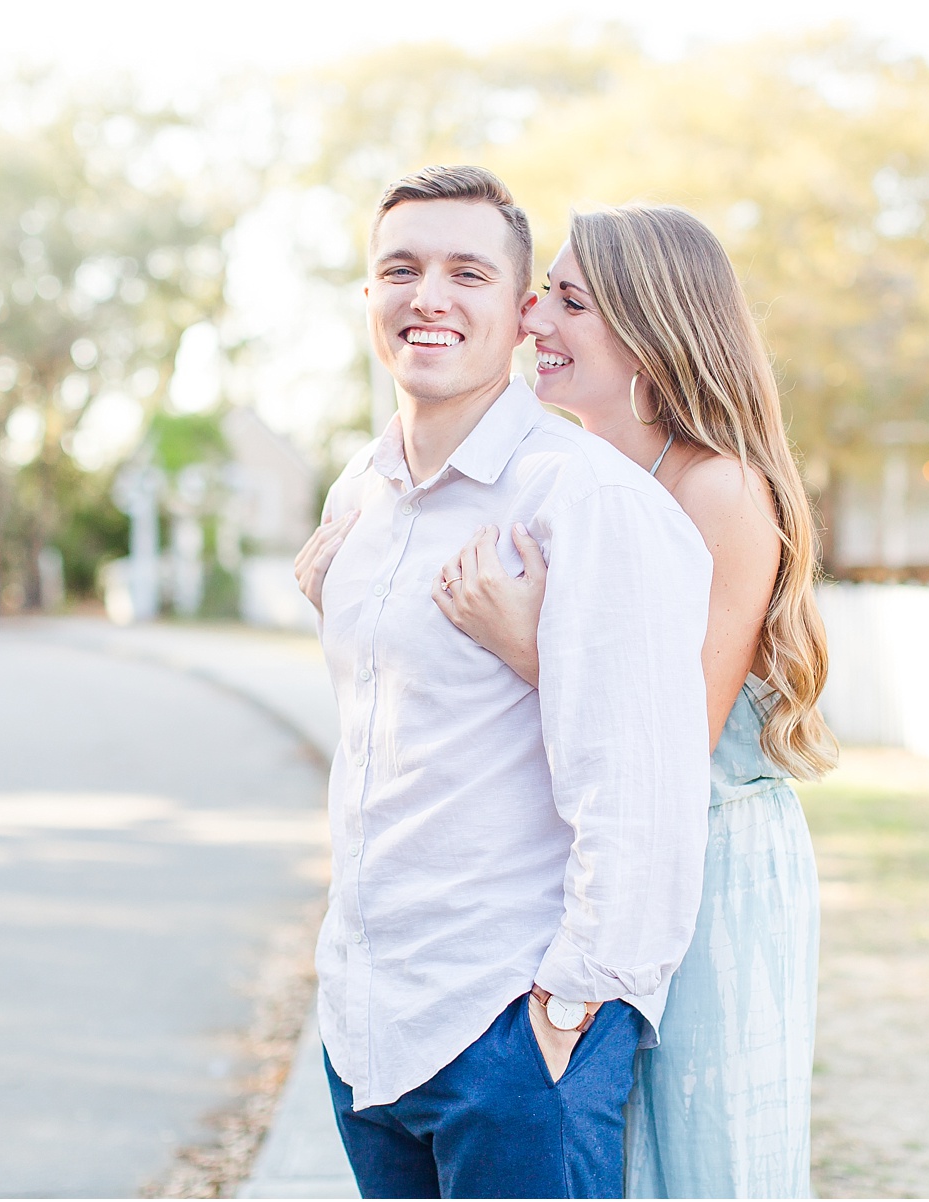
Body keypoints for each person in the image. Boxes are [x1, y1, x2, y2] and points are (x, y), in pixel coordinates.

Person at [291, 166, 714, 1199]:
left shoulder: (585, 499)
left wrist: (569, 1005)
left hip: (510, 1030)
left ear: (520, 310)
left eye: (465, 271)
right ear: (369, 298)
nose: (428, 295)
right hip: (369, 1023)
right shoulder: (361, 494)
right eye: (402, 268)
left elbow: (644, 776)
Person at [431, 204, 836, 1198]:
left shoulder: (721, 492)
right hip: (602, 863)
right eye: (539, 297)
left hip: (707, 862)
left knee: (697, 1164)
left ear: (651, 327)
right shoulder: (583, 477)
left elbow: (670, 740)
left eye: (569, 301)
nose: (532, 322)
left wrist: (526, 640)